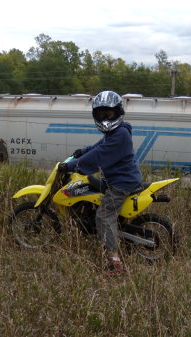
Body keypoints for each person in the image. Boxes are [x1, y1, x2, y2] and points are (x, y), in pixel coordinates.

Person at [58, 90, 142, 275]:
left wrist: (72, 166)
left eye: (109, 114)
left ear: (118, 112)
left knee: (103, 215)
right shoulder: (116, 132)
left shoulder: (120, 134)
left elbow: (98, 156)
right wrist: (82, 151)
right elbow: (98, 146)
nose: (105, 118)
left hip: (122, 182)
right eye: (101, 114)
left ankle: (115, 263)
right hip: (118, 178)